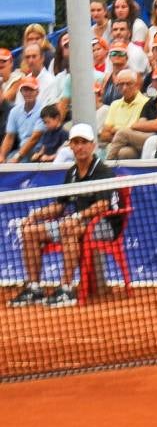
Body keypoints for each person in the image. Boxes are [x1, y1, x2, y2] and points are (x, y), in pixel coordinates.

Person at [9, 124, 121, 309]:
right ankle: (34, 288)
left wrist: (76, 217)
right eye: (75, 143)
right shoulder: (72, 172)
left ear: (93, 145)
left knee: (68, 227)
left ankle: (66, 289)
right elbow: (60, 206)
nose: (79, 147)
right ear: (71, 146)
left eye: (83, 142)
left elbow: (102, 205)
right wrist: (35, 216)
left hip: (106, 224)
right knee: (30, 231)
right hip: (77, 222)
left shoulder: (102, 171)